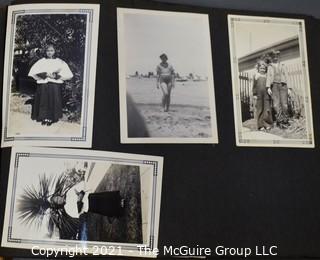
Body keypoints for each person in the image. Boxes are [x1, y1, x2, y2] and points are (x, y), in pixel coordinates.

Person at [28, 44, 73, 126]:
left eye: (51, 50)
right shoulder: (41, 61)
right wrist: (45, 74)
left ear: (54, 51)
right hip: (44, 84)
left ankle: (51, 117)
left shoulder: (59, 61)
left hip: (54, 85)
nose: (49, 52)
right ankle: (44, 117)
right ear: (45, 52)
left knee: (53, 100)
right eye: (48, 51)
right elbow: (34, 72)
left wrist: (55, 76)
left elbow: (67, 73)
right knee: (44, 101)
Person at [266, 50, 291, 129]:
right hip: (274, 86)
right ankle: (279, 121)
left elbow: (287, 76)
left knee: (284, 104)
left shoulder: (283, 65)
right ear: (271, 57)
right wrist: (268, 87)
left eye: (276, 55)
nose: (275, 57)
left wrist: (289, 88)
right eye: (273, 56)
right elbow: (268, 77)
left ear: (278, 56)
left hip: (283, 85)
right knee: (276, 104)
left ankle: (285, 121)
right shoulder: (269, 66)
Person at [252, 60, 273, 131]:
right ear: (258, 68)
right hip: (259, 95)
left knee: (267, 109)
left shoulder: (267, 76)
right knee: (260, 109)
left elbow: (270, 84)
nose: (262, 70)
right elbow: (254, 86)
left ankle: (267, 124)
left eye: (264, 68)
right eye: (261, 68)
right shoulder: (256, 76)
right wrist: (254, 94)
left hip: (266, 95)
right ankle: (260, 125)